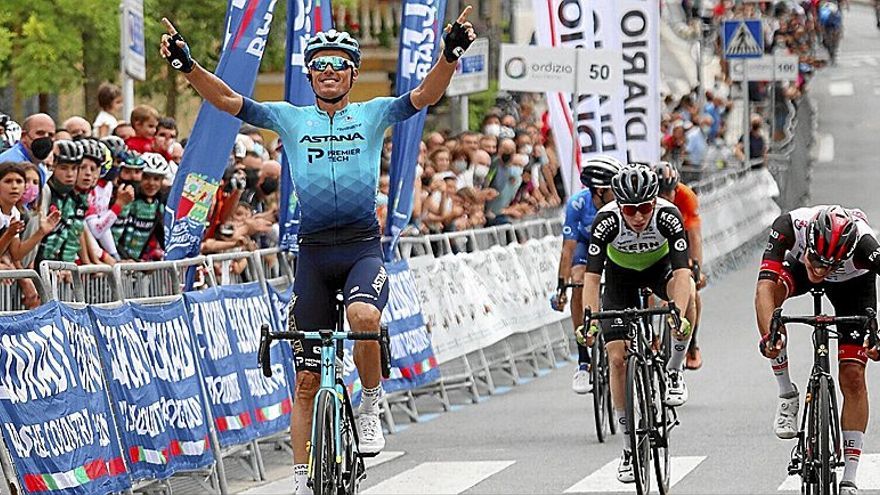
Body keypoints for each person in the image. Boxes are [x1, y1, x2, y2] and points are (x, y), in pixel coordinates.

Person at [160, 9, 476, 494]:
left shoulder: (372, 114)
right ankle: (304, 478)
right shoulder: (290, 118)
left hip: (360, 249)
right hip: (313, 254)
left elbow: (425, 95)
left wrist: (448, 55)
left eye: (339, 66)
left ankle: (370, 403)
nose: (329, 73)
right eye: (320, 66)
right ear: (309, 75)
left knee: (365, 319)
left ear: (351, 73)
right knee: (306, 382)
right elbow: (226, 99)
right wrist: (187, 66)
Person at [581, 163, 695, 483]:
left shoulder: (668, 215)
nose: (638, 217)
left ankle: (673, 369)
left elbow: (683, 272)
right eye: (630, 210)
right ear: (619, 205)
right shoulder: (606, 221)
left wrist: (677, 314)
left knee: (691, 298)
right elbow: (592, 278)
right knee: (617, 359)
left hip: (660, 272)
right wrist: (590, 319)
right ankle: (629, 443)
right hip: (620, 281)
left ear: (654, 202)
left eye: (645, 207)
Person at [756, 205, 880, 495]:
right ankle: (787, 392)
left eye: (830, 264)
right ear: (807, 241)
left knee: (852, 376)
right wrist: (769, 335)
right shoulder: (789, 226)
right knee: (771, 298)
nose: (821, 270)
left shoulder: (865, 245)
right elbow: (763, 287)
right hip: (796, 270)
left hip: (853, 284)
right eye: (817, 259)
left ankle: (849, 476)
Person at [553, 155, 622, 394]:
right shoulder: (577, 204)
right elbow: (568, 249)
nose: (618, 192)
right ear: (600, 190)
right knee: (579, 281)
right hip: (585, 243)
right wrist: (562, 286)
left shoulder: (620, 204)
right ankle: (583, 361)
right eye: (613, 188)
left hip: (612, 245)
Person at [655, 162, 706, 370]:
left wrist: (697, 268)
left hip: (680, 238)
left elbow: (694, 236)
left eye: (670, 191)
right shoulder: (648, 203)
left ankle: (692, 344)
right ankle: (652, 336)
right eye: (662, 192)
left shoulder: (686, 196)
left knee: (692, 291)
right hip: (656, 240)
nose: (667, 197)